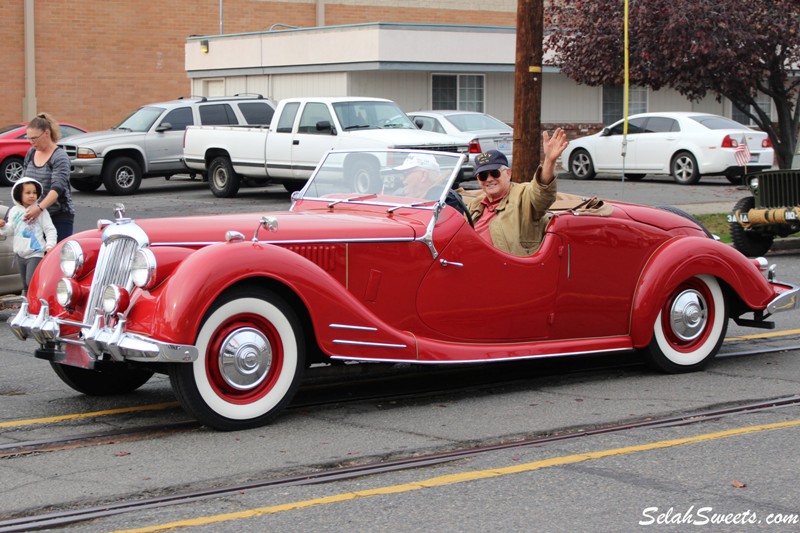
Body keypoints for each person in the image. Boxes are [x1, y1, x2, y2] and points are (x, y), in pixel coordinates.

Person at [466, 128, 569, 256]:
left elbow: (542, 194)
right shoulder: (474, 205)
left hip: (509, 268)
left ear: (508, 173)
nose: (489, 179)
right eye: (483, 176)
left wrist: (549, 161)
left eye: (494, 173)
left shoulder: (522, 195)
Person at [0, 177, 58, 297]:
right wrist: (3, 227)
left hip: (35, 253)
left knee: (31, 281)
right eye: (27, 193)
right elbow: (10, 230)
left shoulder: (40, 212)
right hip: (20, 254)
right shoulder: (14, 211)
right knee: (24, 284)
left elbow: (50, 229)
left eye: (34, 192)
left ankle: (36, 306)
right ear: (18, 195)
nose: (32, 196)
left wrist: (50, 246)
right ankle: (26, 308)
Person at [21, 113, 75, 241]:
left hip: (58, 216)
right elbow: (23, 183)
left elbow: (57, 188)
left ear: (46, 133)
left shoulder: (60, 157)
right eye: (29, 138)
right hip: (35, 216)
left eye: (34, 138)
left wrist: (39, 208)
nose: (31, 142)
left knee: (55, 256)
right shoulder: (31, 152)